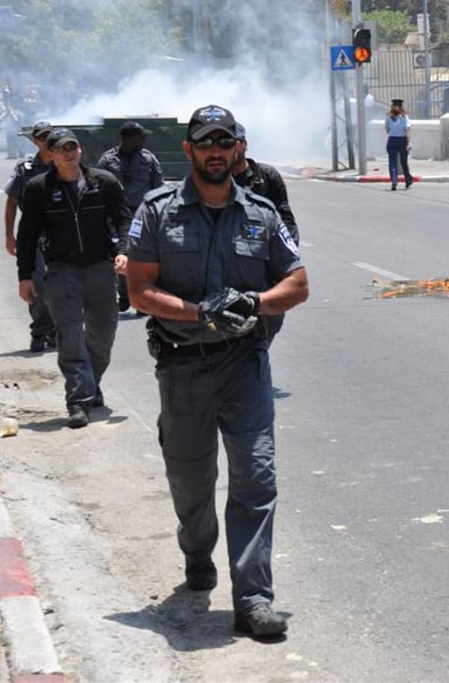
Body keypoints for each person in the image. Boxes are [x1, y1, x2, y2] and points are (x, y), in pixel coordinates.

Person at [125, 104, 308, 638]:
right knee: (190, 478)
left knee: (256, 475)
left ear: (237, 149)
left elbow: (298, 284)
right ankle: (196, 552)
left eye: (224, 142)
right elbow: (139, 289)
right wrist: (197, 311)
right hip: (182, 368)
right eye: (205, 142)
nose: (215, 151)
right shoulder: (157, 211)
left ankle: (252, 596)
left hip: (245, 365)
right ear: (189, 150)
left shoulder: (261, 213)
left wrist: (254, 302)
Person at [15, 129, 131, 428]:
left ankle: (91, 382)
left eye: (73, 147)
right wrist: (25, 276)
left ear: (80, 150)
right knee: (70, 334)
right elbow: (27, 235)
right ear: (50, 155)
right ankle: (78, 400)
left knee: (103, 333)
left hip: (100, 268)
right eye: (62, 149)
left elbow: (124, 218)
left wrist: (124, 250)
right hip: (62, 270)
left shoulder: (102, 182)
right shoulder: (38, 188)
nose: (69, 153)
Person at [96, 121, 164, 311]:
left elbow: (158, 188)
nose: (144, 140)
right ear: (129, 139)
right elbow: (98, 188)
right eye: (141, 136)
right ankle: (125, 293)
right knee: (121, 252)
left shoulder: (149, 160)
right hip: (117, 215)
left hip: (141, 214)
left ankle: (143, 295)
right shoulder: (108, 160)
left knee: (144, 255)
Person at [4, 121, 58, 352]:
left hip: (62, 235)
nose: (46, 140)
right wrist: (8, 235)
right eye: (42, 137)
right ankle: (40, 332)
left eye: (49, 136)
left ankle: (57, 331)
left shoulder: (66, 164)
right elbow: (12, 201)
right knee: (37, 286)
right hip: (34, 235)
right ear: (35, 141)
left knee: (62, 284)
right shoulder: (25, 169)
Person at [232, 122, 299, 241]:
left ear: (244, 144)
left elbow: (285, 219)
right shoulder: (216, 180)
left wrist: (290, 251)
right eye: (225, 144)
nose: (231, 148)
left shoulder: (267, 176)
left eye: (234, 142)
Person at [384, 98, 413, 191]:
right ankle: (408, 180)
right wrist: (409, 142)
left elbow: (387, 130)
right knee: (404, 162)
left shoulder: (389, 117)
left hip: (392, 140)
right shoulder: (405, 117)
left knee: (392, 162)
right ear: (402, 107)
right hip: (402, 140)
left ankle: (394, 181)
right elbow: (407, 130)